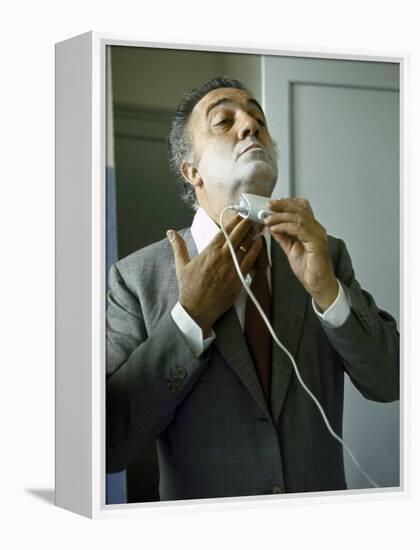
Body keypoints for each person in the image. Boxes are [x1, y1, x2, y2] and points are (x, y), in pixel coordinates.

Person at [106, 76, 399, 501]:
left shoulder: (325, 254)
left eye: (258, 118)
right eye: (224, 120)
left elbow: (391, 383)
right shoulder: (134, 279)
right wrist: (190, 318)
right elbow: (110, 443)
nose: (250, 125)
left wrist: (329, 294)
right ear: (192, 172)